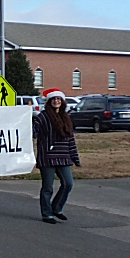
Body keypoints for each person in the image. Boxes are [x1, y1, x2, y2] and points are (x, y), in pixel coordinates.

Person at [33, 88, 80, 224]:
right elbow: (34, 132)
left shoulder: (66, 118)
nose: (56, 101)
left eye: (58, 99)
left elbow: (71, 139)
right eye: (53, 99)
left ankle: (56, 208)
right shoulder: (42, 117)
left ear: (62, 101)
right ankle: (47, 214)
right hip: (47, 157)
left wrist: (75, 157)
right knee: (47, 187)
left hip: (64, 156)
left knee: (68, 184)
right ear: (49, 102)